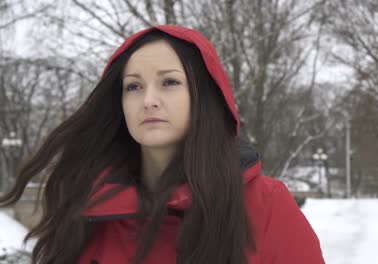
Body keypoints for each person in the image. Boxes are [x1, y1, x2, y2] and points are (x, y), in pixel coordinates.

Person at [0, 25, 325, 264]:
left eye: (169, 82)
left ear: (203, 98)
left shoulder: (265, 206)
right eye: (133, 87)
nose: (149, 100)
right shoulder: (84, 208)